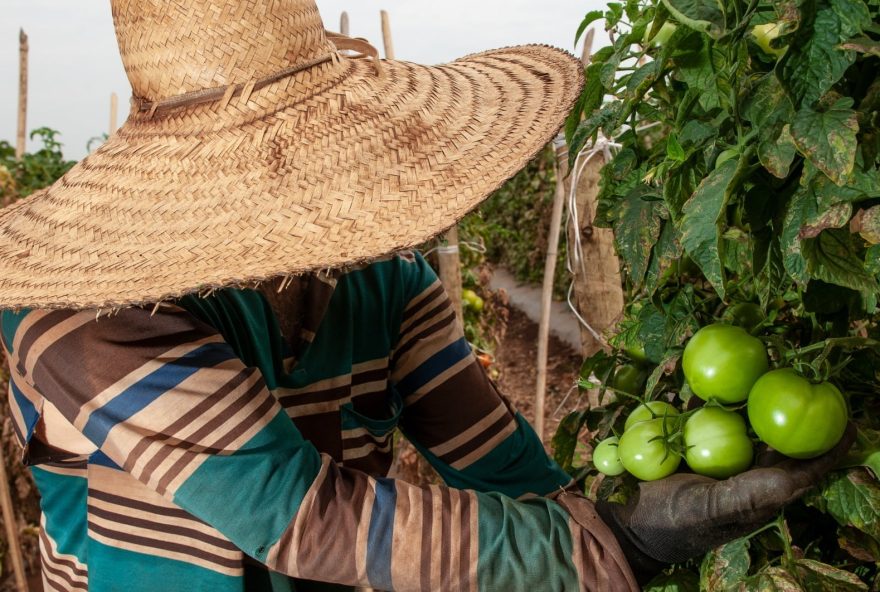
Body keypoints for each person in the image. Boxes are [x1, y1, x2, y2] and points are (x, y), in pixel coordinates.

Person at [0, 1, 852, 591]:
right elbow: (300, 518)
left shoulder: (384, 286)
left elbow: (498, 463)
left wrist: (604, 510)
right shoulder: (78, 317)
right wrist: (618, 544)